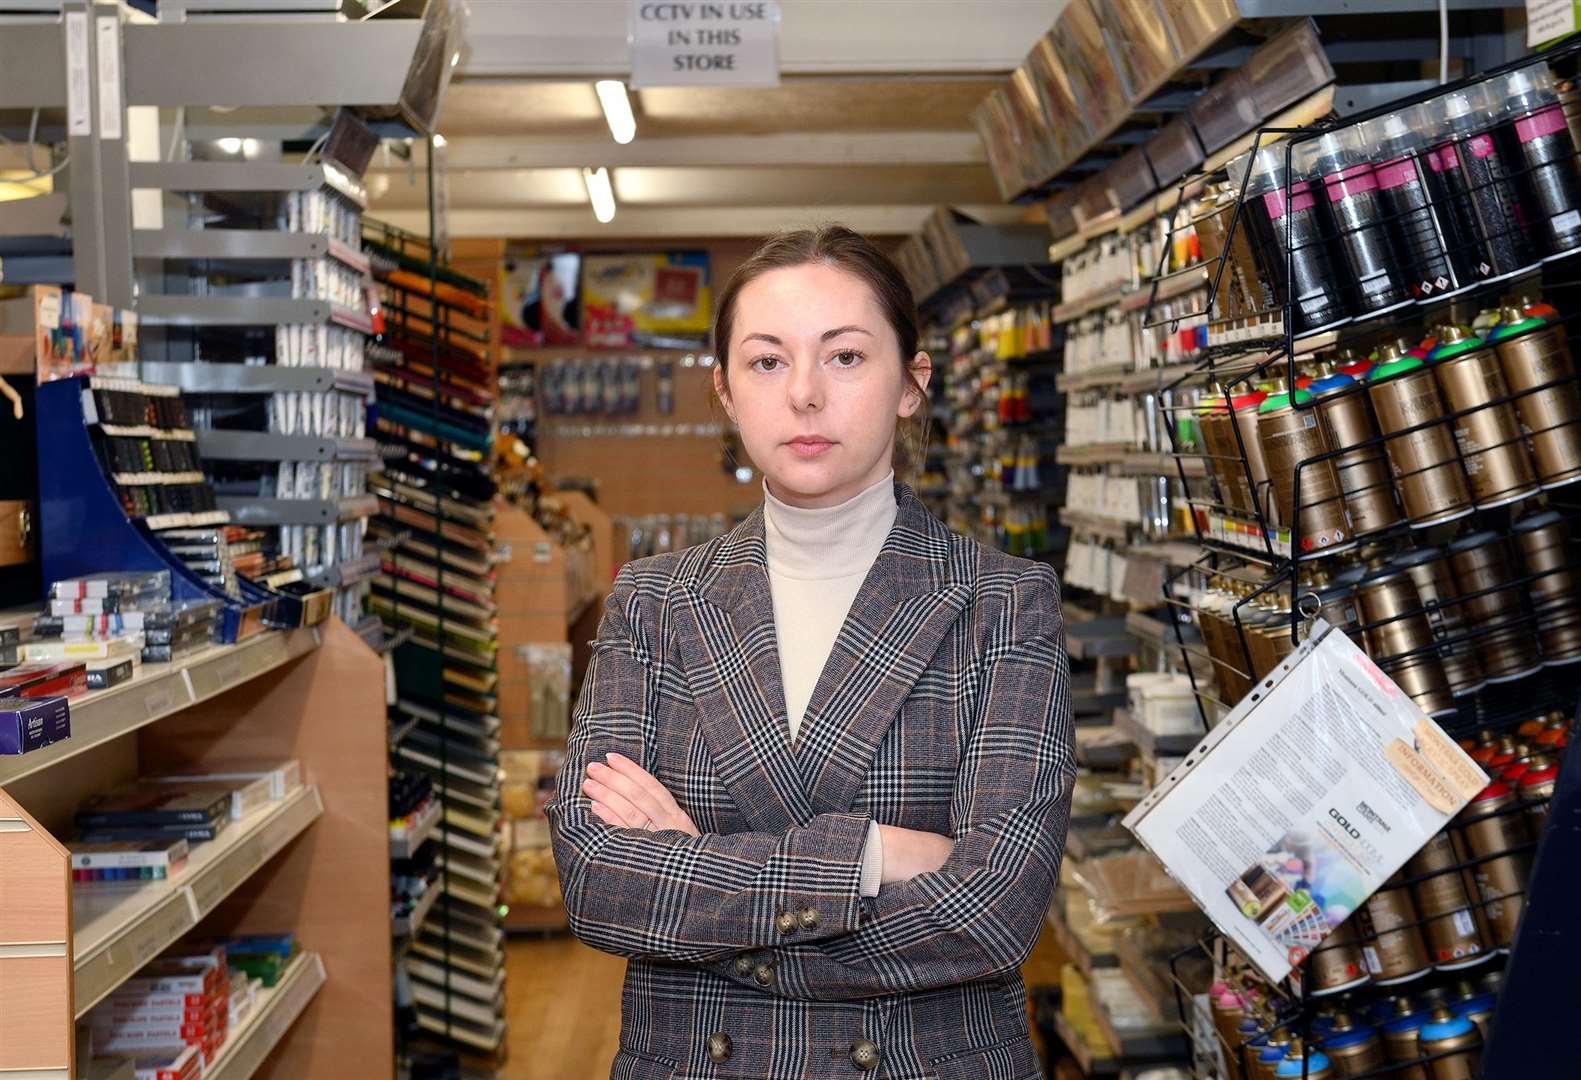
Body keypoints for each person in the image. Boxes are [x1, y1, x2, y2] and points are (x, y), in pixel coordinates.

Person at [546, 225, 1075, 1080]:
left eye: (845, 358)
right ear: (724, 390)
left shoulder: (1002, 604)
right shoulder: (655, 601)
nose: (803, 394)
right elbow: (601, 884)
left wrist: (693, 880)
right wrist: (869, 856)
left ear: (911, 383)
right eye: (765, 362)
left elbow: (991, 912)